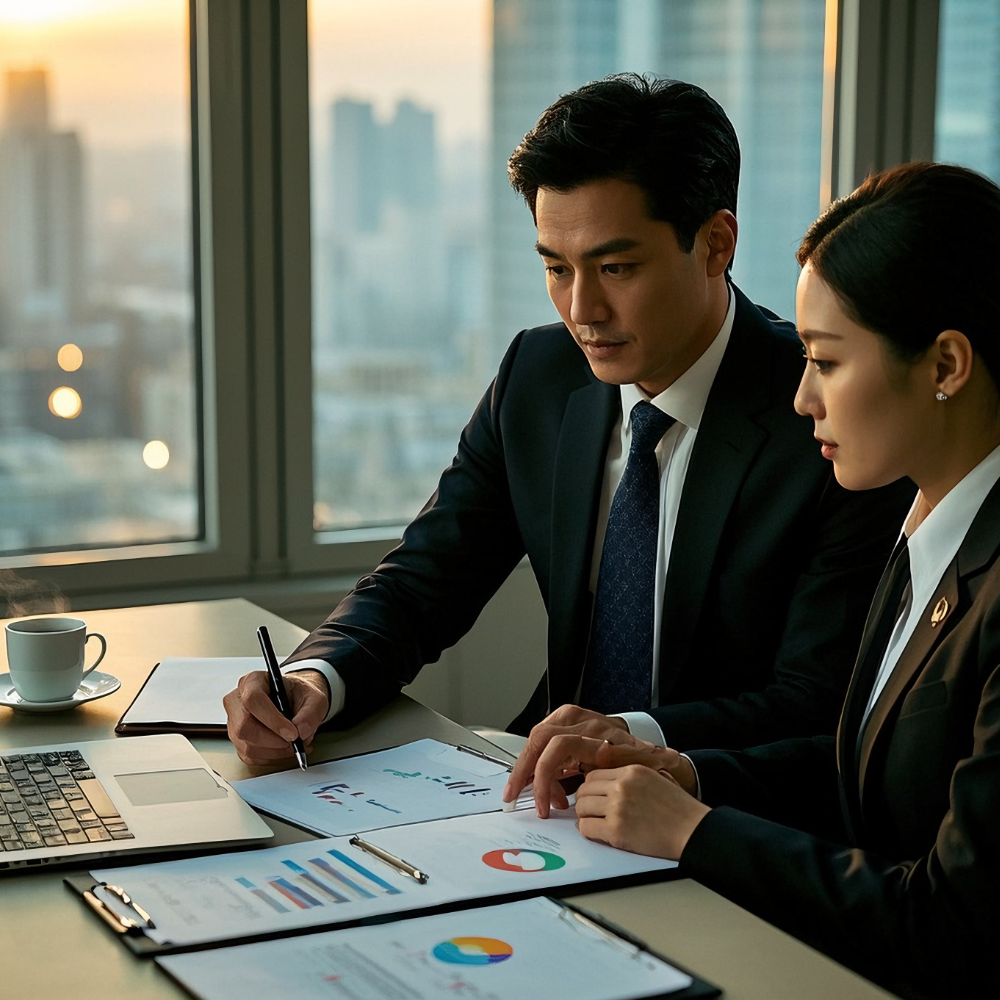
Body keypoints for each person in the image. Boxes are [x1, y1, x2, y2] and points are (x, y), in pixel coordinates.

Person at [224, 74, 909, 767]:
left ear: (714, 244)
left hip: (723, 811)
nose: (582, 309)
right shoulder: (539, 376)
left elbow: (817, 700)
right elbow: (422, 582)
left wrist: (636, 739)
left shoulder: (827, 414)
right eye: (557, 268)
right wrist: (317, 677)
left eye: (616, 268)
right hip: (536, 787)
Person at [565, 162, 1000, 999]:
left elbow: (952, 922)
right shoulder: (927, 527)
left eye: (827, 363)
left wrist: (698, 834)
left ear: (946, 364)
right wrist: (685, 772)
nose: (802, 399)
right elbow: (873, 780)